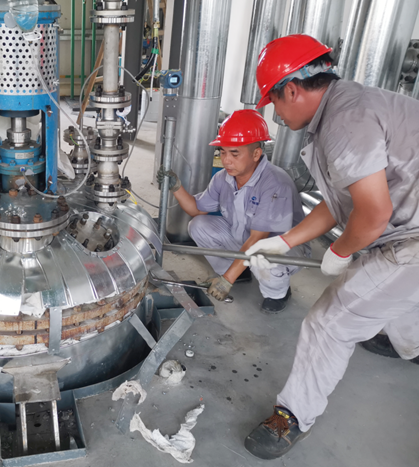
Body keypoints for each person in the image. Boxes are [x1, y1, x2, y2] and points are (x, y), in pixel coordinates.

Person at [243, 34, 419, 460]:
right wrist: (285, 241)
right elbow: (342, 200)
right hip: (408, 225)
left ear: (291, 90)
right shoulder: (347, 105)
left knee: (330, 321)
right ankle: (412, 346)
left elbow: (372, 215)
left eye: (273, 101)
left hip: (412, 236)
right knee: (396, 295)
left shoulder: (344, 123)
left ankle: (292, 417)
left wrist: (339, 252)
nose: (276, 113)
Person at [157, 109, 309, 313]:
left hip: (281, 248)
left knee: (262, 255)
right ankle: (238, 272)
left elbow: (258, 239)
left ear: (256, 154)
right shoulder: (223, 178)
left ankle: (278, 293)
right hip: (245, 238)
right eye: (223, 152)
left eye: (234, 153)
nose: (226, 160)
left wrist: (226, 281)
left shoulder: (274, 183)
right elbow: (197, 209)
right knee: (198, 225)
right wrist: (176, 187)